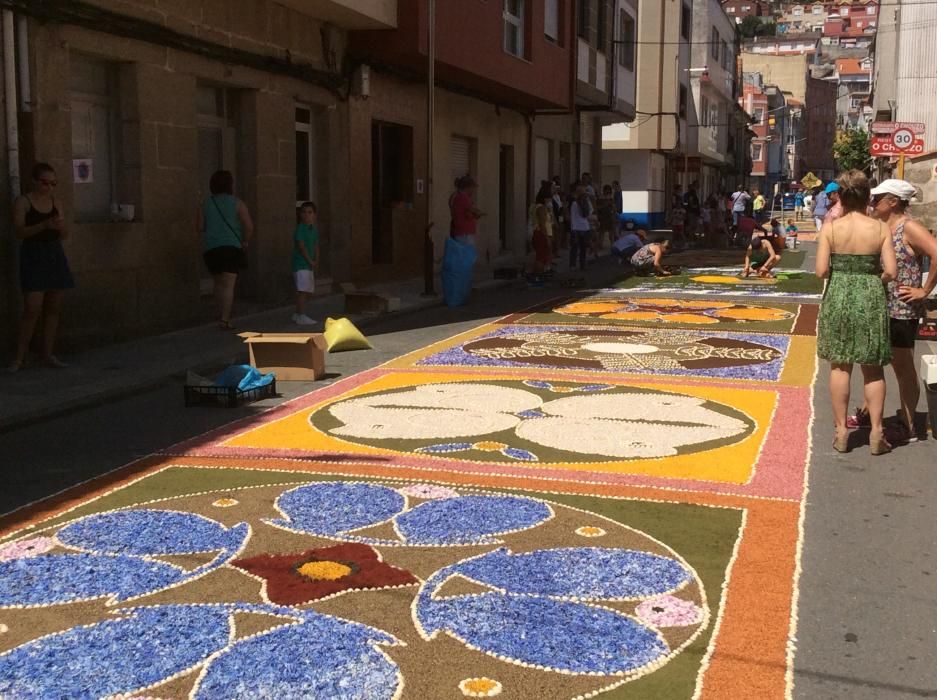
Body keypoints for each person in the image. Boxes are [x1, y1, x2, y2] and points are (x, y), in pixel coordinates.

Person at [815, 170, 897, 455]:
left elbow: (822, 270)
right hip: (871, 294)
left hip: (839, 294)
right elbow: (891, 271)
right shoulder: (880, 228)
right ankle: (877, 432)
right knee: (873, 367)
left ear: (843, 196)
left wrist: (845, 275)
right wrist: (871, 279)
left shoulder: (831, 229)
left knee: (840, 364)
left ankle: (841, 431)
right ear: (867, 197)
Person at [869, 179, 937, 442]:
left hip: (900, 307)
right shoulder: (882, 225)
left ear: (893, 202)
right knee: (873, 362)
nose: (873, 203)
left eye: (878, 199)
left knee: (902, 365)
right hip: (878, 304)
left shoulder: (909, 227)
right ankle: (871, 411)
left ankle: (907, 422)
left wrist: (924, 290)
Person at [9, 163, 74, 372]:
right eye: (45, 183)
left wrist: (61, 227)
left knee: (54, 306)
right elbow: (19, 232)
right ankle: (20, 357)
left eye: (53, 183)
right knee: (32, 307)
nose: (49, 187)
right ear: (35, 181)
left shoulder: (56, 202)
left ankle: (48, 353)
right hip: (33, 254)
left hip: (53, 253)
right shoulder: (23, 202)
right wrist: (43, 226)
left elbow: (64, 234)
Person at [197, 169, 254, 330]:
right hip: (230, 247)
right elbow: (249, 226)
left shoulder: (206, 203)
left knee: (217, 283)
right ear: (230, 185)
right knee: (229, 285)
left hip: (211, 249)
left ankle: (219, 312)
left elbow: (199, 226)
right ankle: (225, 319)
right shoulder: (237, 203)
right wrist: (245, 241)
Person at [292, 201, 319, 326]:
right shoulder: (301, 228)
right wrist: (310, 260)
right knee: (302, 290)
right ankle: (301, 315)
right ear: (300, 214)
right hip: (301, 263)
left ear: (314, 215)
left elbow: (316, 245)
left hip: (309, 265)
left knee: (306, 290)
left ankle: (297, 314)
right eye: (304, 212)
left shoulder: (313, 229)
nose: (307, 215)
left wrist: (316, 260)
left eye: (310, 212)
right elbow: (301, 246)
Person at [450, 175, 485, 245]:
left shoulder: (456, 196)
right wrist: (478, 214)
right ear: (468, 187)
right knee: (468, 254)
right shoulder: (464, 198)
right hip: (465, 234)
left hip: (460, 232)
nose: (473, 190)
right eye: (472, 187)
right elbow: (472, 211)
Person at [568, 185, 593, 271]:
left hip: (577, 227)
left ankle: (573, 265)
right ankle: (581, 264)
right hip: (584, 227)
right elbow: (588, 214)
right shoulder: (584, 203)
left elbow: (572, 216)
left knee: (576, 248)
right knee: (582, 248)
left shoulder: (575, 203)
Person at [595, 184, 617, 255]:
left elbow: (614, 209)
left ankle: (613, 245)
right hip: (603, 217)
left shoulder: (611, 199)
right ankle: (599, 245)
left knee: (611, 233)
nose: (607, 193)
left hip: (610, 217)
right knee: (602, 232)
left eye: (609, 192)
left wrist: (614, 215)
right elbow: (597, 208)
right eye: (606, 191)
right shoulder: (600, 199)